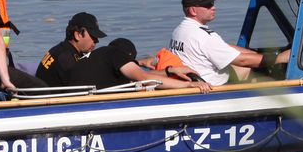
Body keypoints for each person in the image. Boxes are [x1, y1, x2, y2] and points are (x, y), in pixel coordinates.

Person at [168, 0, 289, 86]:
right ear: (193, 11)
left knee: (246, 67)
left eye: (212, 3)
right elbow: (242, 60)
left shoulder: (180, 30)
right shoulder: (204, 37)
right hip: (214, 86)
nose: (213, 7)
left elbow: (222, 47)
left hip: (199, 76)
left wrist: (252, 53)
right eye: (208, 5)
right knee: (271, 82)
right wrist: (279, 58)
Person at [68, 38, 212, 93]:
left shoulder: (101, 59)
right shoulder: (115, 55)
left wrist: (170, 71)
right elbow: (143, 77)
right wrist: (188, 86)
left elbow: (138, 75)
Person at [36, 12, 107, 87]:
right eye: (93, 36)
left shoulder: (61, 50)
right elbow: (80, 87)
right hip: (49, 98)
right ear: (78, 35)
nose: (97, 41)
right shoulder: (66, 58)